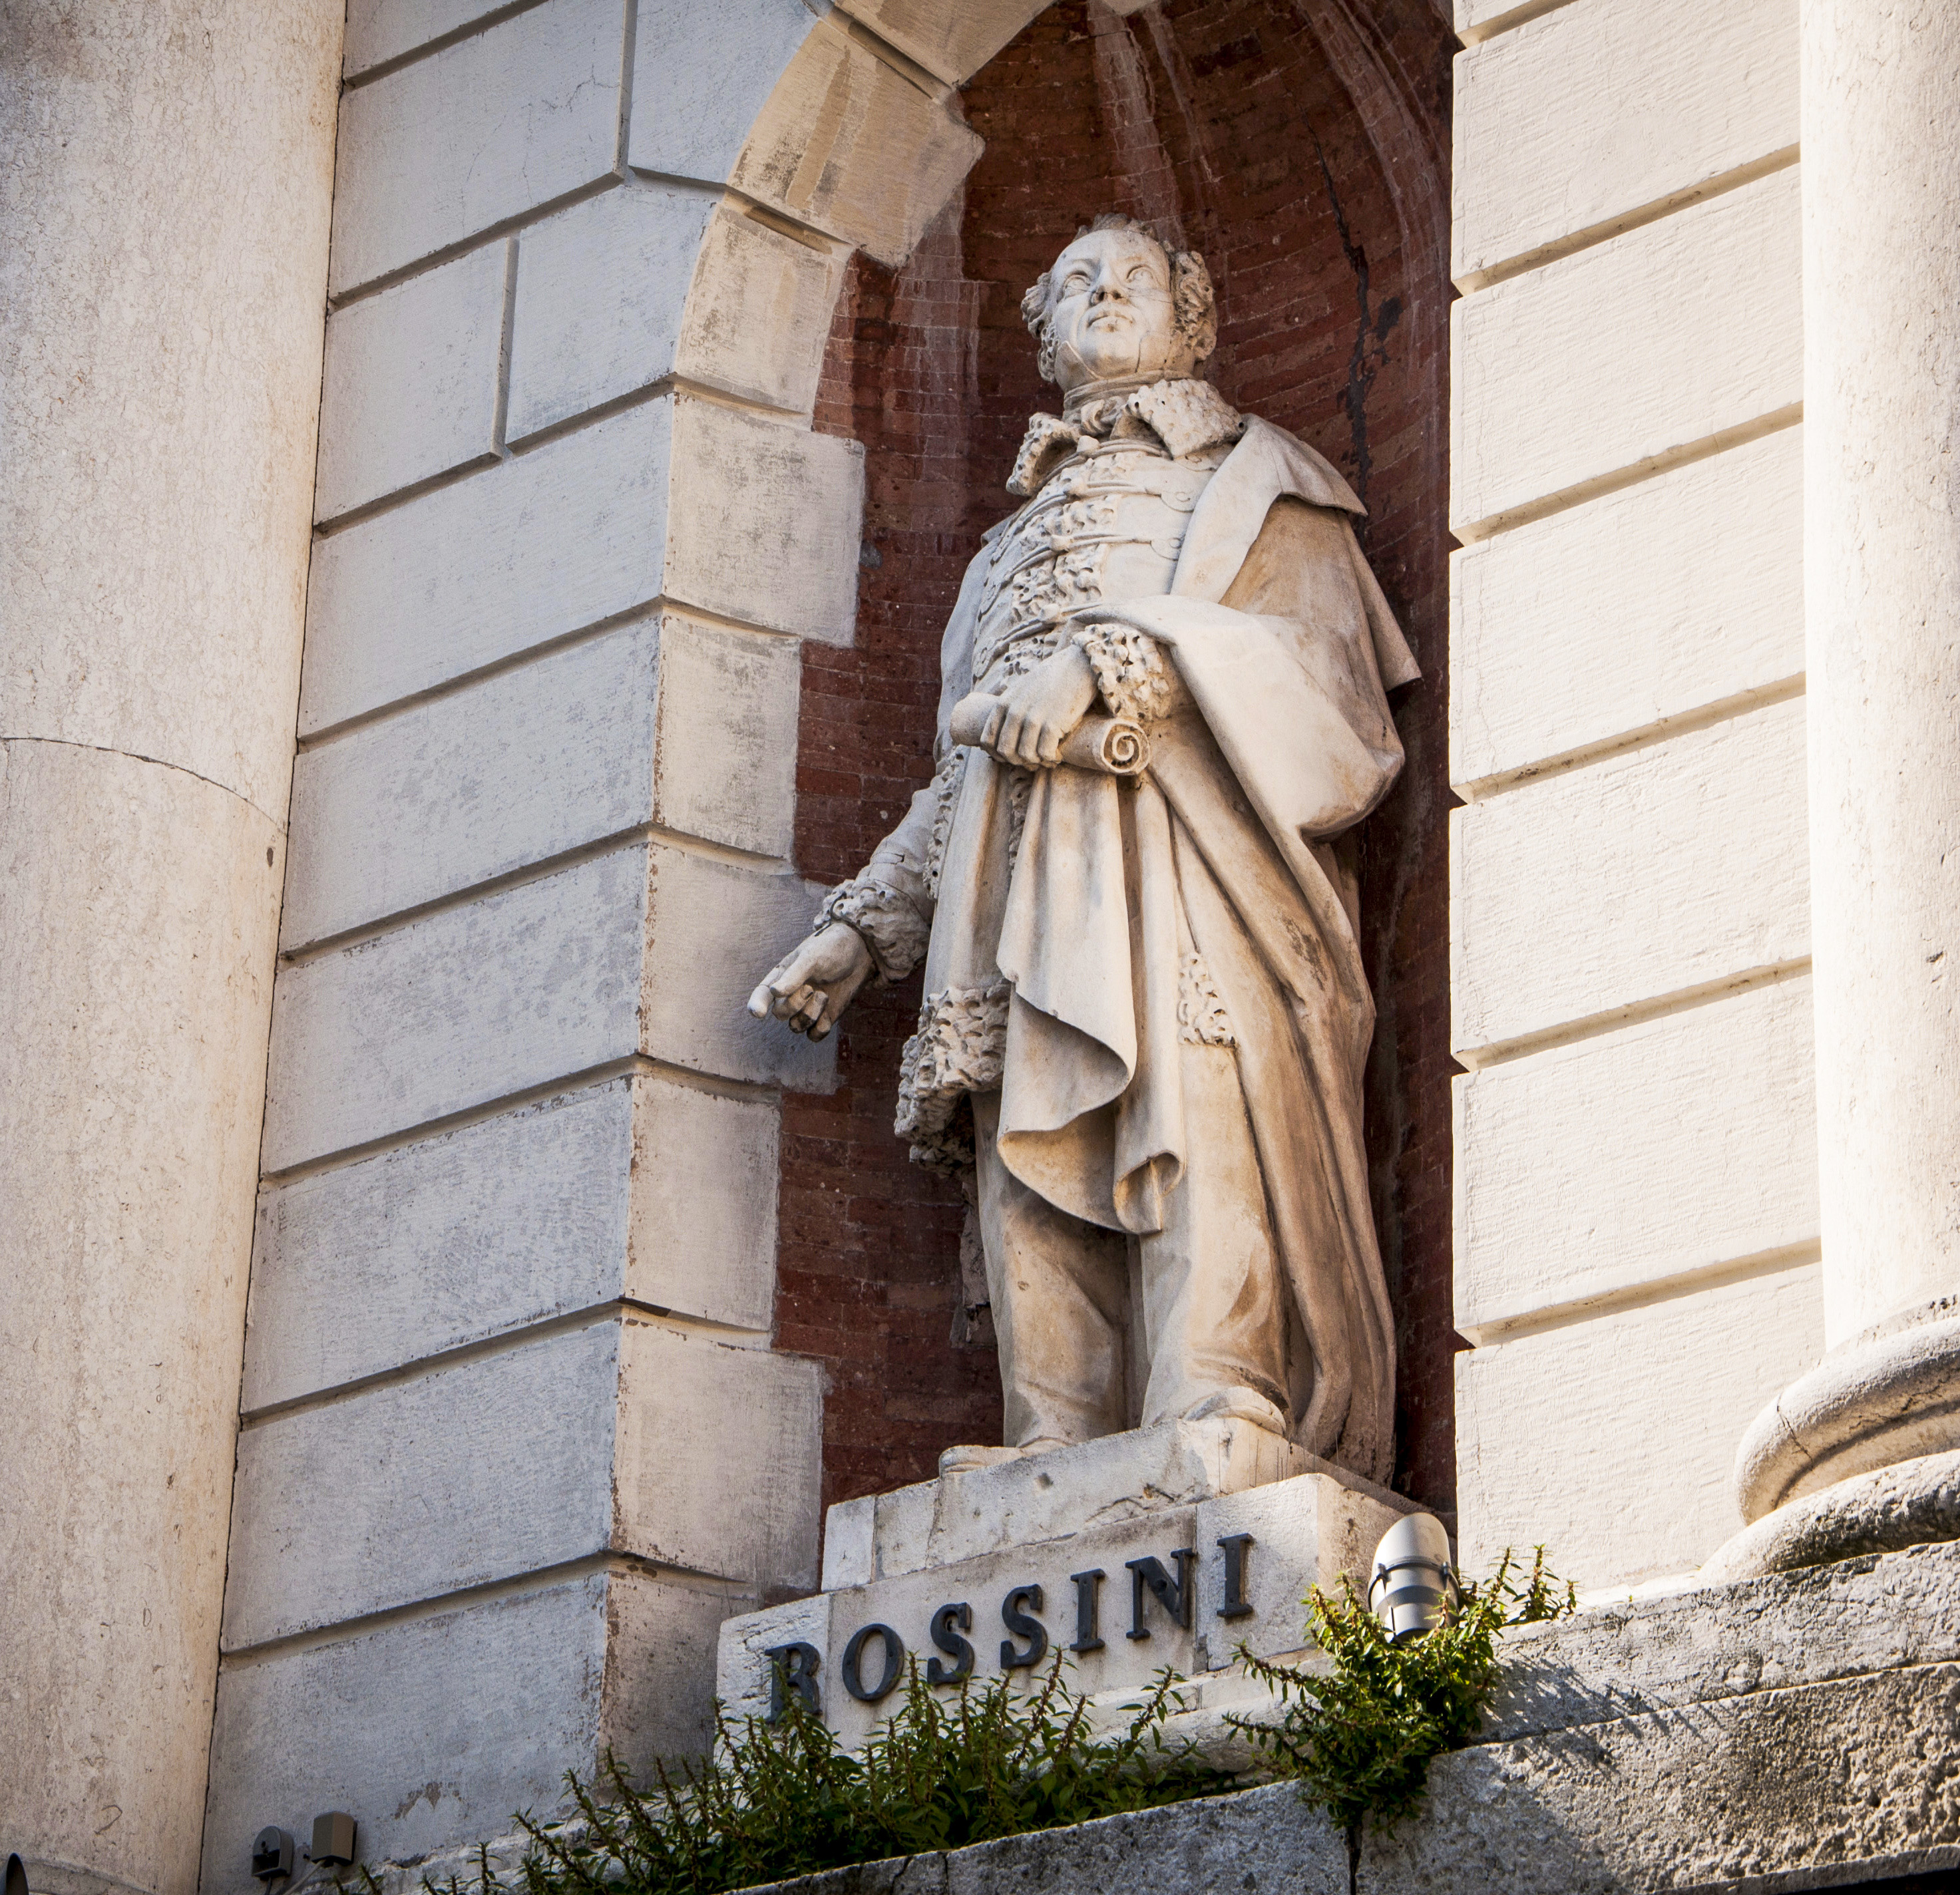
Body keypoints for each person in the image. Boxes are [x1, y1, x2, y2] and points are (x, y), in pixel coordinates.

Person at [748, 214, 1418, 1482]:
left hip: (1183, 847)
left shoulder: (1258, 480)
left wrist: (1118, 659)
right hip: (1011, 873)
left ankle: (1215, 1384)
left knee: (1191, 1096)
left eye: (1137, 278)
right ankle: (1053, 1426)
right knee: (1021, 1128)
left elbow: (1325, 678)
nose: (1107, 296)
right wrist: (860, 928)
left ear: (1194, 313)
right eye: (1075, 285)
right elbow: (963, 765)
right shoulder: (1000, 551)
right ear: (1043, 337)